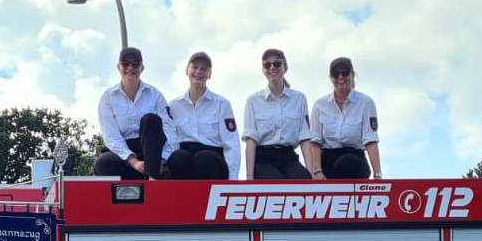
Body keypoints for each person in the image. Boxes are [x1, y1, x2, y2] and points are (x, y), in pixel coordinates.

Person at [93, 46, 178, 181]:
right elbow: (111, 136)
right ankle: (145, 175)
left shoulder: (155, 94)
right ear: (118, 67)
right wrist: (134, 162)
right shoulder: (107, 97)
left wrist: (161, 161)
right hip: (125, 152)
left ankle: (153, 178)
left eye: (135, 64)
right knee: (102, 164)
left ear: (142, 68)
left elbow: (169, 130)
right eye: (125, 63)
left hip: (152, 151)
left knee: (150, 120)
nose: (130, 68)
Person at [241, 48, 317, 180]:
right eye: (267, 65)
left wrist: (310, 173)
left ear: (285, 67)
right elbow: (251, 140)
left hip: (288, 157)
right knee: (276, 182)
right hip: (264, 158)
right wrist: (249, 176)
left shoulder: (299, 99)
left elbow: (304, 137)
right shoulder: (253, 101)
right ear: (263, 69)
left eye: (277, 64)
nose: (272, 68)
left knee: (302, 179)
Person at [167, 51, 241, 180]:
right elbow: (171, 140)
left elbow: (231, 143)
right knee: (177, 158)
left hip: (212, 158)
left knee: (204, 158)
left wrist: (233, 177)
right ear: (187, 70)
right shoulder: (174, 105)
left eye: (204, 69)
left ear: (209, 74)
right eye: (195, 67)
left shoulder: (222, 104)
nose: (198, 71)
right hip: (186, 154)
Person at [311, 56, 382, 181]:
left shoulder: (366, 103)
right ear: (330, 77)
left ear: (352, 74)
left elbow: (370, 140)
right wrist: (317, 171)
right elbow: (315, 141)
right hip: (328, 159)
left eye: (344, 72)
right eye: (335, 73)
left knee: (346, 164)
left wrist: (378, 174)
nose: (340, 77)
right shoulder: (319, 105)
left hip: (354, 159)